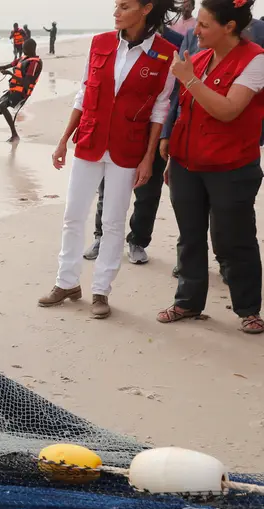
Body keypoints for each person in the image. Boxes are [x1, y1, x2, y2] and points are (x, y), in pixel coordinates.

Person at [41, 0, 178, 320]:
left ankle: (101, 290)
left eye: (124, 6)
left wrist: (148, 158)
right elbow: (84, 93)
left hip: (127, 149)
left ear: (145, 10)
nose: (116, 12)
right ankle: (67, 283)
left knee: (114, 222)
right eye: (116, 5)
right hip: (89, 141)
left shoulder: (165, 52)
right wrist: (63, 140)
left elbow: (160, 108)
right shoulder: (100, 43)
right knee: (73, 215)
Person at [159, 0, 263, 334]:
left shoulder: (255, 60)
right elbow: (181, 110)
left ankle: (248, 308)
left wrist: (189, 80)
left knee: (233, 239)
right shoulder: (200, 58)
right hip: (187, 164)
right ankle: (187, 302)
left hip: (231, 167)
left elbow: (229, 109)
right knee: (189, 237)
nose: (196, 30)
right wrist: (170, 147)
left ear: (229, 27)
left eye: (204, 25)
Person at [83, 24, 184, 266]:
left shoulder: (174, 43)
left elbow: (176, 93)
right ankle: (101, 236)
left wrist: (166, 133)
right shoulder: (120, 38)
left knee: (148, 191)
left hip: (156, 127)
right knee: (106, 187)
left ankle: (138, 240)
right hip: (122, 128)